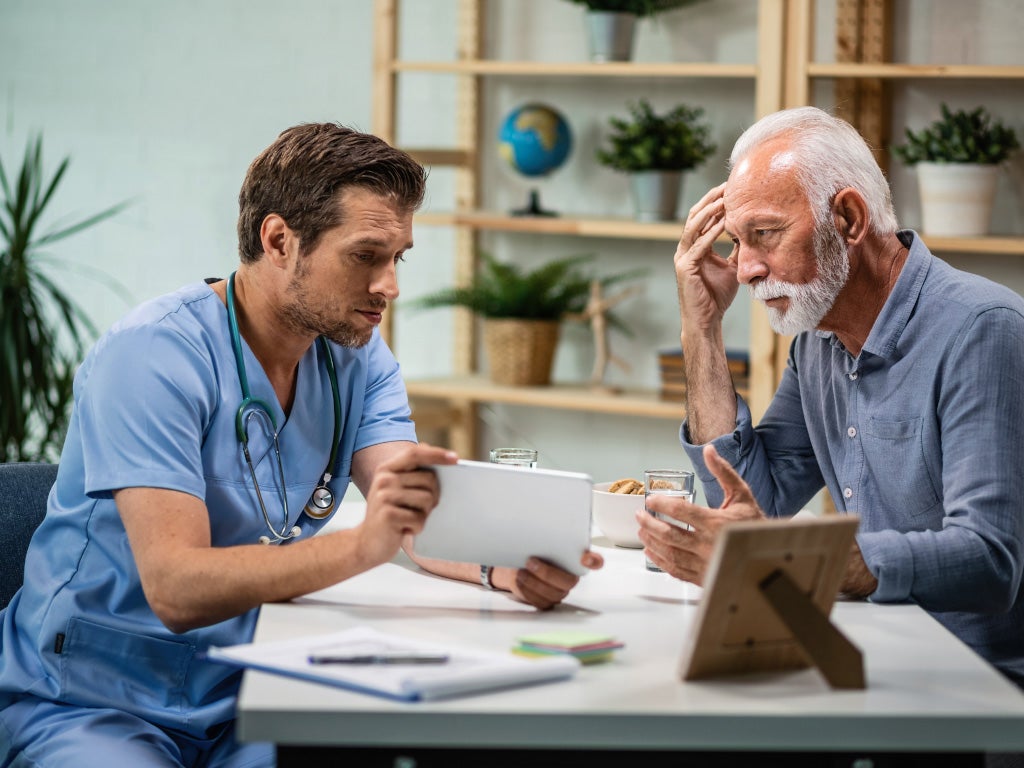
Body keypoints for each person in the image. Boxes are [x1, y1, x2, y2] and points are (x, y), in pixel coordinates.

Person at [0, 123, 602, 768]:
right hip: (93, 695)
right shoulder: (152, 355)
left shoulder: (358, 358)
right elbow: (174, 588)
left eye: (398, 257)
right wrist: (365, 545)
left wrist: (500, 564)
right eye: (366, 255)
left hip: (247, 683)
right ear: (280, 240)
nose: (390, 287)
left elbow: (413, 507)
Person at [638, 106, 1024, 690]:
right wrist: (702, 329)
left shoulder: (984, 329)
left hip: (974, 693)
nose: (744, 270)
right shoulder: (819, 340)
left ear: (847, 217)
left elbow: (989, 560)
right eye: (735, 242)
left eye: (765, 234)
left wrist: (790, 562)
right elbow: (751, 507)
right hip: (871, 659)